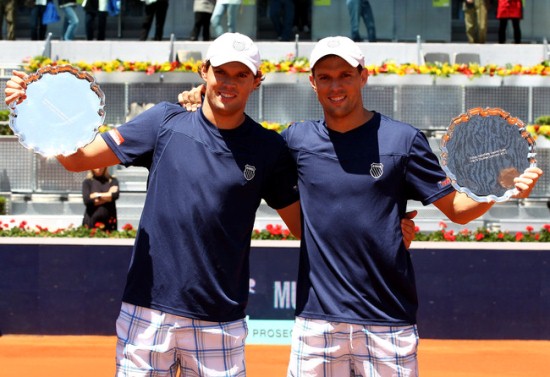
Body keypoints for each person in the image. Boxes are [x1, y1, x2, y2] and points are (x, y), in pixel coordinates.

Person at [5, 32, 417, 376]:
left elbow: (306, 224)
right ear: (204, 73)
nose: (229, 82)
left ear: (257, 81)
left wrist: (384, 231)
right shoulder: (163, 121)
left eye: (241, 75)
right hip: (147, 312)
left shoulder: (269, 148)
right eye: (220, 72)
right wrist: (33, 111)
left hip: (221, 320)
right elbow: (79, 159)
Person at [178, 36, 543, 376]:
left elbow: (456, 209)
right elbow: (239, 137)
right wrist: (204, 100)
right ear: (312, 82)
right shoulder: (294, 141)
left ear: (363, 77)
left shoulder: (403, 140)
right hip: (318, 321)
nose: (335, 86)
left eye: (345, 76)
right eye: (325, 77)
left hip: (388, 320)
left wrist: (500, 187)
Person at [82, 166, 119, 231]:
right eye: (96, 166)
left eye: (101, 166)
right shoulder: (87, 182)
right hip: (91, 220)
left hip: (109, 221)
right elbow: (87, 200)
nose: (99, 168)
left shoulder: (112, 181)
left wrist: (96, 195)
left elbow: (115, 196)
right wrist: (108, 195)